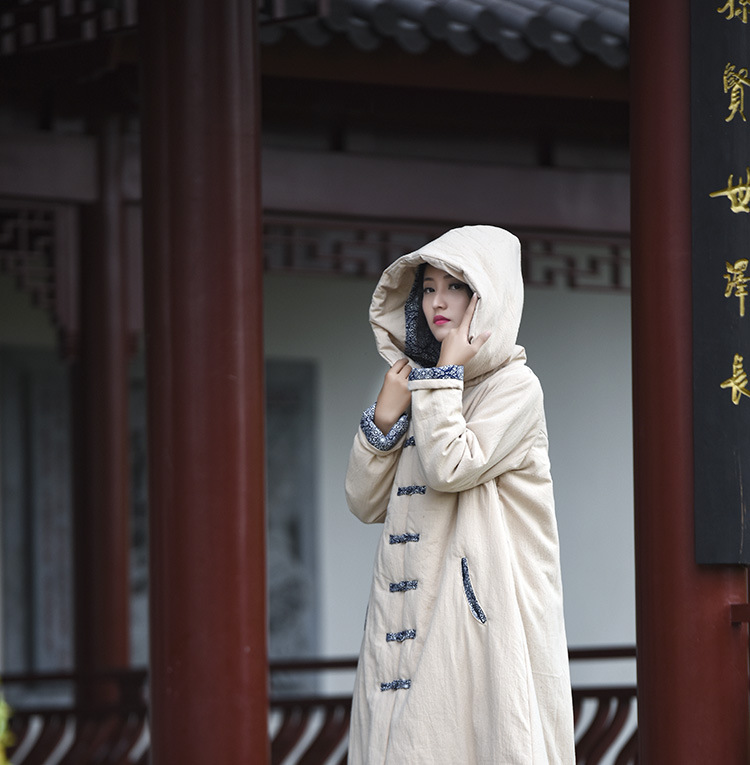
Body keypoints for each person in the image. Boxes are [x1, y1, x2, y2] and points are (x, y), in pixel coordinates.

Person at [345, 225, 575, 764]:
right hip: (403, 621)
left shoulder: (516, 388)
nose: (438, 302)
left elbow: (451, 467)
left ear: (487, 299)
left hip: (477, 621)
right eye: (427, 288)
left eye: (455, 288)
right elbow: (365, 502)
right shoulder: (425, 385)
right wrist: (386, 415)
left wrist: (441, 379)